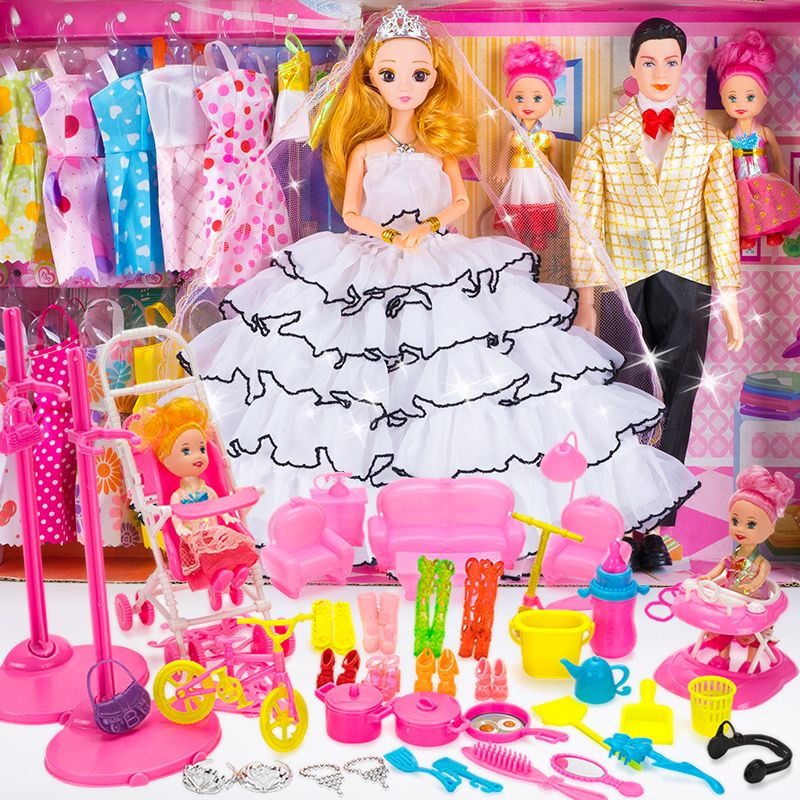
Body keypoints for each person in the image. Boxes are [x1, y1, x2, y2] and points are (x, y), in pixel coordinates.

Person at [185, 5, 698, 544]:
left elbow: (459, 201)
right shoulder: (365, 149)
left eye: (419, 73)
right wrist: (387, 235)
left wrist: (428, 226)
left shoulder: (440, 145)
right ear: (371, 79)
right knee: (350, 371)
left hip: (438, 254)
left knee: (464, 367)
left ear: (434, 78)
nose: (405, 85)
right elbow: (351, 211)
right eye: (390, 74)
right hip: (371, 257)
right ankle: (353, 516)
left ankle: (462, 514)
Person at [571, 17, 744, 569]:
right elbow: (585, 221)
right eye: (650, 62)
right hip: (622, 282)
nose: (661, 72)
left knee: (678, 396)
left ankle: (654, 523)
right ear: (633, 66)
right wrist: (587, 298)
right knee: (621, 394)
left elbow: (723, 220)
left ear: (683, 64)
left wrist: (731, 299)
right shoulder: (603, 137)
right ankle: (619, 518)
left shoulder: (709, 141)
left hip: (689, 278)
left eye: (671, 62)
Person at [128, 397, 258, 610]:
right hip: (194, 536)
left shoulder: (207, 489)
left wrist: (226, 515)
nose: (198, 456)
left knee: (230, 539)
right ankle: (220, 575)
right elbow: (174, 514)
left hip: (214, 529)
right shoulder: (177, 495)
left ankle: (236, 571)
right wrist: (180, 528)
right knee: (204, 548)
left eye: (202, 449)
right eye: (186, 451)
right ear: (167, 461)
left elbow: (218, 502)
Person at [711, 29, 800, 250]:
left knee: (769, 203)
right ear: (723, 99)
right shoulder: (729, 134)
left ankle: (773, 231)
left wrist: (780, 164)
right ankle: (747, 235)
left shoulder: (763, 131)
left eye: (750, 97)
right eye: (732, 98)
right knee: (745, 207)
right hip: (740, 179)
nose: (740, 103)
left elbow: (775, 149)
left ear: (764, 98)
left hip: (761, 175)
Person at [697, 466, 793, 671]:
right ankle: (723, 657)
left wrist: (751, 586)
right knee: (722, 627)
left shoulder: (761, 563)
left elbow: (760, 579)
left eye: (751, 524)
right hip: (729, 599)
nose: (740, 529)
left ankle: (751, 662)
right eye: (735, 521)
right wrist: (707, 578)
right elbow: (720, 570)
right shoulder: (732, 557)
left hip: (752, 603)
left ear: (770, 528)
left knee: (753, 634)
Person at [494, 41, 564, 251]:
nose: (527, 105)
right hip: (518, 174)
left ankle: (538, 234)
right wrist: (500, 168)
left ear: (550, 100)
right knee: (519, 202)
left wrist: (555, 174)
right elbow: (503, 156)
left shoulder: (548, 136)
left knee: (537, 200)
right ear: (509, 99)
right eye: (519, 98)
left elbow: (556, 163)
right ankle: (518, 234)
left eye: (537, 98)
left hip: (538, 176)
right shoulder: (513, 135)